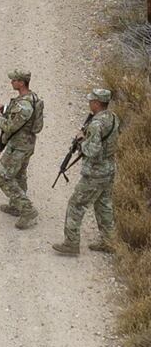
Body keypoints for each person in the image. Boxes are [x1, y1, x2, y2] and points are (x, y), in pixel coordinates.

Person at [53, 89, 120, 256]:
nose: (89, 103)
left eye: (92, 101)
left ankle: (71, 244)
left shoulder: (96, 124)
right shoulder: (112, 118)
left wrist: (81, 140)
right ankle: (109, 242)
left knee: (76, 205)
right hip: (109, 169)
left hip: (95, 173)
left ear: (97, 103)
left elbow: (92, 150)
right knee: (103, 205)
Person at [0, 69, 44, 230]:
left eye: (14, 80)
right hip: (25, 144)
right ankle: (15, 205)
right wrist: (5, 108)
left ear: (22, 82)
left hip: (19, 146)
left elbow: (11, 126)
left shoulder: (25, 105)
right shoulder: (31, 98)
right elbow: (22, 117)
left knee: (5, 179)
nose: (12, 82)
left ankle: (27, 210)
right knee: (19, 175)